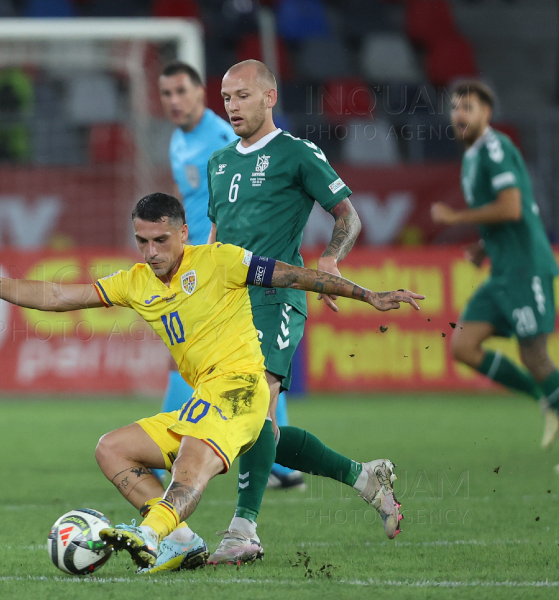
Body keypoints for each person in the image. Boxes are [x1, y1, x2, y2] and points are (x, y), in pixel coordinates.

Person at [0, 193, 419, 572]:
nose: (150, 252)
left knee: (192, 465)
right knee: (112, 448)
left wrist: (368, 295)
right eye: (141, 241)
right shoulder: (135, 281)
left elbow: (294, 276)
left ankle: (151, 533)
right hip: (204, 398)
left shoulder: (221, 260)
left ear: (183, 233)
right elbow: (62, 294)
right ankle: (182, 543)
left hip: (240, 389)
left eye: (160, 241)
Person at [204, 59, 363, 564]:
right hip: (227, 307)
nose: (231, 106)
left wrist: (331, 259)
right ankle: (363, 475)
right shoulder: (219, 162)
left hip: (276, 300)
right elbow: (216, 239)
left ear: (269, 98)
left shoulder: (297, 153)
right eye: (226, 98)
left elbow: (347, 214)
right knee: (258, 426)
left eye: (242, 96)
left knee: (252, 409)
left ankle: (243, 529)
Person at [158, 61, 302, 494]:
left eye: (181, 91)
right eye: (166, 94)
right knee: (247, 367)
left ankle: (164, 460)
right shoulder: (176, 142)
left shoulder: (223, 138)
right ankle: (281, 463)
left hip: (223, 269)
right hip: (197, 266)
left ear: (201, 92)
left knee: (189, 356)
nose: (174, 101)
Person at [431, 80, 559, 455]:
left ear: (487, 112)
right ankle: (545, 399)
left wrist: (457, 215)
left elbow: (512, 208)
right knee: (464, 345)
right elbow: (508, 216)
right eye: (455, 108)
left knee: (535, 355)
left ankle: (550, 399)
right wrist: (485, 245)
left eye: (467, 107)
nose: (459, 115)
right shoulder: (472, 157)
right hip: (502, 270)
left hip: (526, 268)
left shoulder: (495, 148)